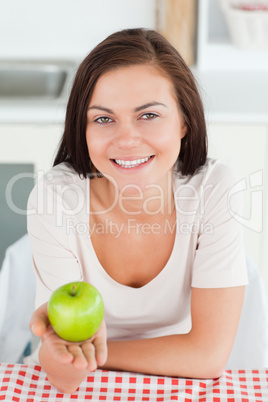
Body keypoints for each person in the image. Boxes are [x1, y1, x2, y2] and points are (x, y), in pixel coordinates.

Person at [26, 28, 248, 393]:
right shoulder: (56, 199)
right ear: (82, 129)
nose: (126, 140)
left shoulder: (214, 190)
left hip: (182, 384)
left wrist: (95, 353)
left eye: (148, 115)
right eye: (102, 119)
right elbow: (63, 377)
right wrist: (63, 353)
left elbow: (207, 358)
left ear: (184, 122)